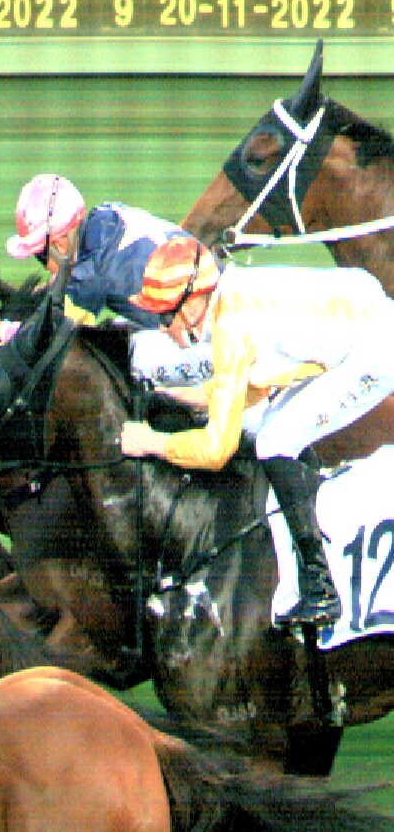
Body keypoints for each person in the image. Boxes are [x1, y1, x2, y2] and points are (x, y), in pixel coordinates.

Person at [118, 238, 394, 627]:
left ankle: (321, 589)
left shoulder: (229, 329)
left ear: (192, 305)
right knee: (275, 430)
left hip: (373, 349)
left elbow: (217, 449)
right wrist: (172, 397)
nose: (162, 329)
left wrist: (153, 443)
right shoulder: (231, 299)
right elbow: (250, 389)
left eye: (165, 316)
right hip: (362, 322)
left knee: (274, 440)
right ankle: (313, 535)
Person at [0, 174, 205, 345]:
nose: (44, 266)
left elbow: (56, 340)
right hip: (212, 294)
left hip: (209, 339)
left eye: (40, 257)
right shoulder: (104, 215)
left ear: (59, 245)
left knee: (126, 357)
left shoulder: (90, 273)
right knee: (118, 328)